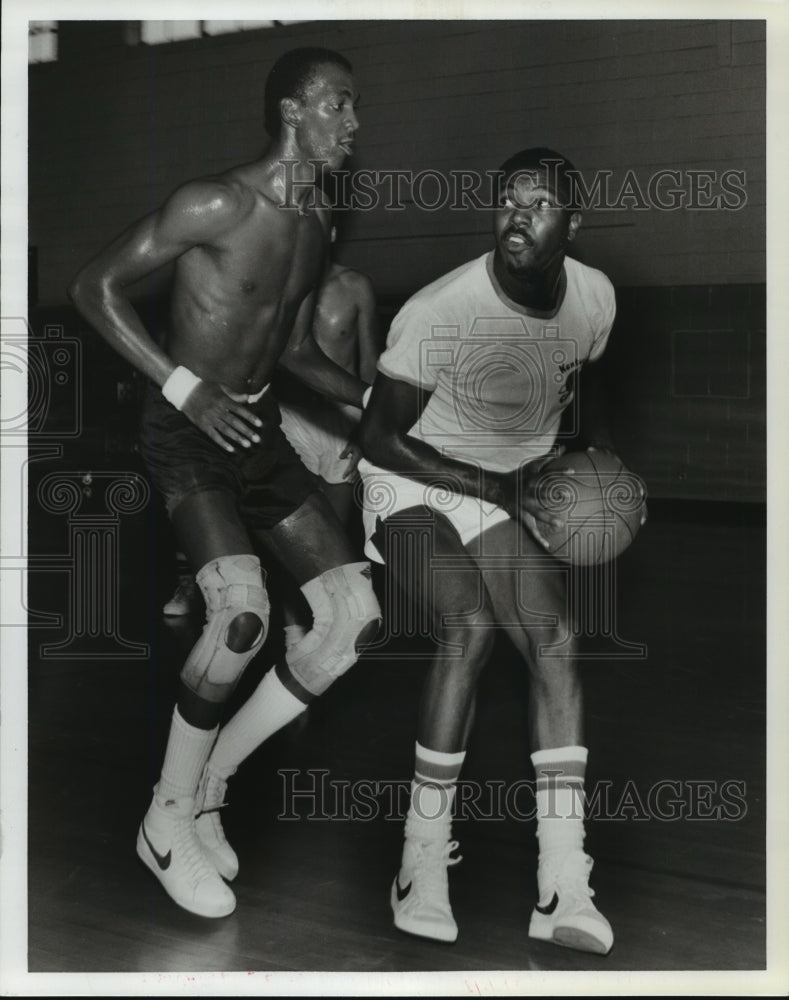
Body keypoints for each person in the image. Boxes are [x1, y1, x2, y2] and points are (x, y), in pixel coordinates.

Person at [69, 47, 381, 920]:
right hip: (184, 430)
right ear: (292, 111)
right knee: (240, 615)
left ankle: (211, 783)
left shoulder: (316, 222)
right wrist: (183, 386)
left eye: (354, 109)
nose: (352, 125)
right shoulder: (215, 202)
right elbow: (93, 288)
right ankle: (164, 821)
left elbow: (286, 350)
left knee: (354, 623)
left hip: (256, 430)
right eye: (339, 106)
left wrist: (369, 403)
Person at [358, 148, 634, 954]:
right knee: (466, 625)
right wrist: (497, 487)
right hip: (406, 480)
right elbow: (376, 435)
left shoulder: (593, 297)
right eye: (507, 200)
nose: (518, 214)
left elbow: (585, 380)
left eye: (539, 202)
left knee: (555, 640)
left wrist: (599, 477)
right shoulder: (443, 307)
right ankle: (419, 862)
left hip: (499, 489)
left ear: (572, 225)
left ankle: (561, 883)